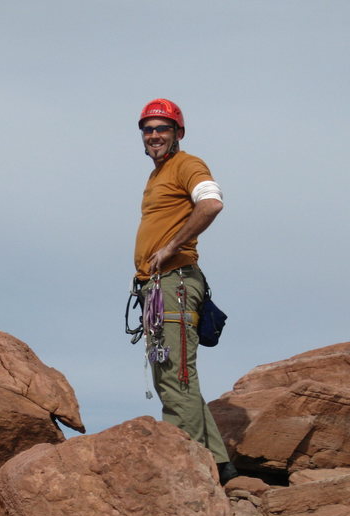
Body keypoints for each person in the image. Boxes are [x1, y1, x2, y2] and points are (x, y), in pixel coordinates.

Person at [131, 98, 238, 485]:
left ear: (179, 133)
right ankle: (220, 466)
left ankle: (187, 472)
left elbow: (210, 204)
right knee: (174, 377)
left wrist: (172, 246)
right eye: (148, 129)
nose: (155, 135)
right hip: (158, 286)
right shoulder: (159, 174)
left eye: (163, 128)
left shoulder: (186, 164)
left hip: (173, 283)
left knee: (174, 377)